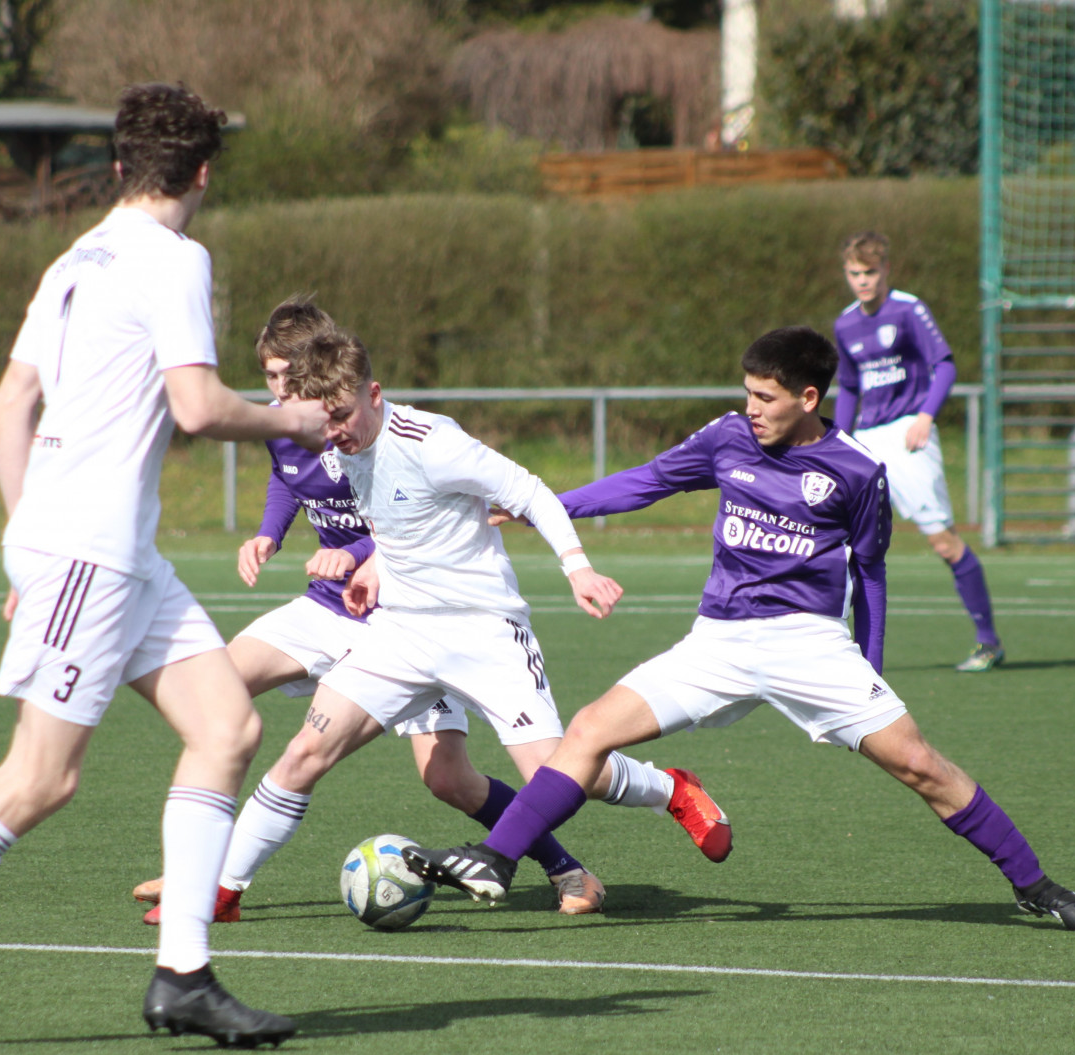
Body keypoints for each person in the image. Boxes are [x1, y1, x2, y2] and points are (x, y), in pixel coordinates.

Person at [0, 83, 327, 1053]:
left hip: (104, 550)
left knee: (228, 723)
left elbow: (10, 403)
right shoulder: (175, 258)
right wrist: (294, 418)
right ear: (204, 173)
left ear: (122, 163)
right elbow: (202, 406)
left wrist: (23, 537)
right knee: (40, 779)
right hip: (90, 549)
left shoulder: (74, 257)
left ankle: (183, 975)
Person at [404, 326, 1075, 933]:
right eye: (748, 393)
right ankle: (497, 856)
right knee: (588, 730)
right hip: (718, 640)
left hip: (809, 643)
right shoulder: (727, 436)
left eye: (766, 397)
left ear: (809, 398)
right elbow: (648, 480)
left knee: (921, 764)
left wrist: (873, 664)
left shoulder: (858, 473)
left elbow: (872, 575)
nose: (752, 409)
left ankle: (1035, 884)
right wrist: (549, 508)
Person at [129, 298, 621, 920]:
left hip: (418, 612)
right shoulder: (301, 423)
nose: (282, 397)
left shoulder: (387, 433)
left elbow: (410, 515)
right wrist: (270, 534)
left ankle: (582, 852)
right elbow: (291, 477)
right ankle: (210, 877)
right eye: (272, 379)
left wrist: (364, 557)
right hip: (340, 613)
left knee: (455, 780)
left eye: (289, 379)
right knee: (221, 699)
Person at [221, 325, 733, 894]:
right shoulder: (341, 443)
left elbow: (532, 492)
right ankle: (221, 893)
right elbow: (404, 525)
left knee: (555, 773)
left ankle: (669, 789)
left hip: (483, 630)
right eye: (323, 419)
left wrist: (577, 567)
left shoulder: (433, 442)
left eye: (340, 415)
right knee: (306, 750)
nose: (333, 433)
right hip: (400, 632)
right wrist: (376, 567)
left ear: (374, 393)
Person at [833, 232, 1004, 671]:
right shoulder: (845, 323)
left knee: (943, 543)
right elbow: (850, 387)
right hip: (867, 440)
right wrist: (838, 439)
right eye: (855, 273)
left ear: (886, 270)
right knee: (846, 544)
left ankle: (988, 642)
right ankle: (842, 649)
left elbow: (944, 365)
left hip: (909, 434)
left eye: (870, 272)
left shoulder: (908, 310)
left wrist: (926, 417)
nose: (862, 281)